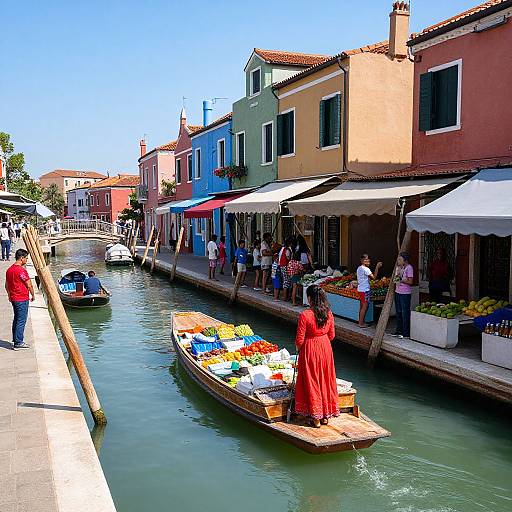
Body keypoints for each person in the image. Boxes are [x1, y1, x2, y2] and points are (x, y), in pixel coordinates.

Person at [294, 285, 339, 428]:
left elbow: (299, 340)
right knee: (325, 380)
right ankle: (325, 415)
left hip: (310, 349)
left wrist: (299, 349)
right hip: (325, 348)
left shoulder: (305, 315)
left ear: (309, 298)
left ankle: (316, 418)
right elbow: (332, 336)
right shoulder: (328, 313)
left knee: (312, 380)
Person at [5, 249, 35, 350]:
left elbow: (6, 285)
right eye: (26, 258)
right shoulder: (21, 271)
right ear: (21, 258)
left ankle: (16, 339)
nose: (26, 260)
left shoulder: (9, 270)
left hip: (14, 298)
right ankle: (18, 342)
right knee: (21, 320)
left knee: (16, 319)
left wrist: (9, 295)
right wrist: (33, 294)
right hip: (21, 298)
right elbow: (29, 284)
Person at [357, 254, 382, 328]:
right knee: (365, 306)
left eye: (368, 259)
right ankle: (361, 323)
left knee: (362, 306)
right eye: (366, 259)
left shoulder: (359, 268)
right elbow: (374, 277)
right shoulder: (366, 269)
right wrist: (377, 267)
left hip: (360, 289)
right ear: (362, 261)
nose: (368, 261)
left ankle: (361, 322)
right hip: (365, 290)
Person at [393, 252, 414, 339]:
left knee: (405, 313)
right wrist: (397, 277)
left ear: (405, 260)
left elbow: (410, 282)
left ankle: (405, 332)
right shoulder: (398, 268)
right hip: (397, 291)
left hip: (405, 294)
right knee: (398, 312)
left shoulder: (409, 268)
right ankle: (399, 330)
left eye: (400, 259)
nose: (398, 261)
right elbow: (396, 281)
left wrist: (401, 279)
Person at [278, 237, 293, 301]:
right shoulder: (287, 249)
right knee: (286, 281)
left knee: (285, 281)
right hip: (285, 266)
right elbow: (288, 257)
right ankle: (285, 297)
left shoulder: (282, 248)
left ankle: (286, 296)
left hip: (282, 265)